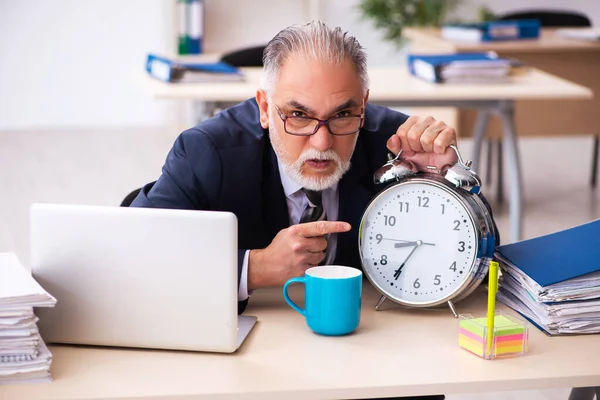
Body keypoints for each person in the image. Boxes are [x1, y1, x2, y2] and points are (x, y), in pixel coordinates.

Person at [130, 21, 494, 400]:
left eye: (342, 115)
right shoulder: (208, 152)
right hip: (252, 370)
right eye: (299, 116)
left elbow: (482, 267)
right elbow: (137, 256)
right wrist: (253, 267)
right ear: (265, 108)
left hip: (373, 359)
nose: (322, 142)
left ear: (363, 107)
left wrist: (447, 181)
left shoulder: (398, 144)